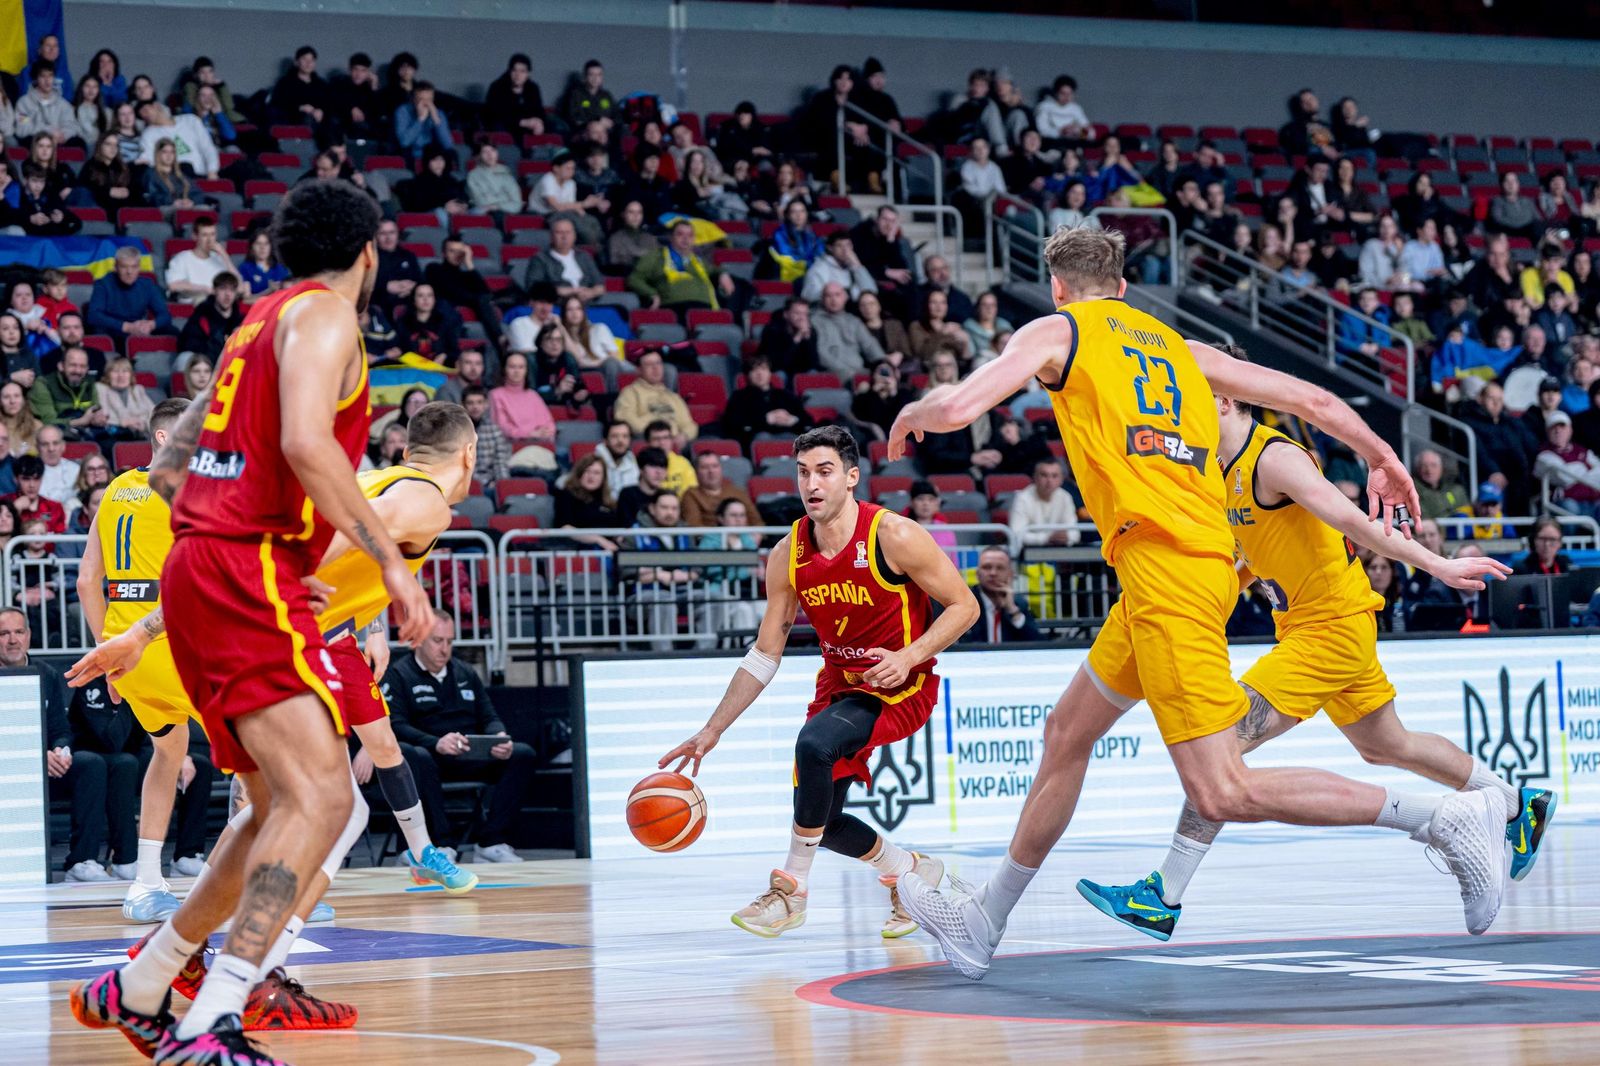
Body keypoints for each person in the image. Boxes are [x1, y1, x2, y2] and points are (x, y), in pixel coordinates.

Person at [886, 226, 1509, 982]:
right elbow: (1311, 397)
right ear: (1122, 287)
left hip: (1169, 575)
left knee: (1223, 788)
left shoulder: (1057, 330)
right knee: (1066, 732)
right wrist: (1382, 457)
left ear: (1059, 287)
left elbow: (960, 407)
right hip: (1191, 566)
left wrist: (924, 407)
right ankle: (984, 921)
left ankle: (1444, 818)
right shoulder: (1176, 347)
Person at [66, 179, 433, 1065]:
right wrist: (387, 560)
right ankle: (212, 1019)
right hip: (243, 567)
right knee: (324, 795)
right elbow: (308, 444)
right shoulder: (327, 317)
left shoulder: (252, 326)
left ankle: (146, 983)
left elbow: (167, 470)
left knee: (275, 801)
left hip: (202, 566)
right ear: (370, 254)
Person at [1076, 354, 1536, 938]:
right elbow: (1248, 557)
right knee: (1387, 743)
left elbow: (1358, 524)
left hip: (1331, 626)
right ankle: (1517, 803)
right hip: (1317, 622)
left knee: (1226, 740)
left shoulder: (1275, 458)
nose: (1175, 413)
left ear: (1222, 400)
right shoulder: (1216, 473)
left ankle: (1163, 893)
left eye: (1187, 401)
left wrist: (1437, 563)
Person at [659, 426, 979, 938]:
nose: (812, 483)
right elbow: (766, 652)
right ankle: (911, 870)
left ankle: (790, 891)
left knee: (814, 745)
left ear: (851, 478)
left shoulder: (893, 535)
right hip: (840, 686)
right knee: (821, 823)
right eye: (803, 472)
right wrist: (711, 730)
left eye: (825, 471)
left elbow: (966, 606)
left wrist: (910, 655)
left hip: (902, 686)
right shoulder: (789, 553)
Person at [385, 610, 535, 864]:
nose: (445, 649)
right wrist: (436, 743)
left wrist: (497, 736)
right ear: (418, 640)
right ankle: (442, 844)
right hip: (429, 758)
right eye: (437, 641)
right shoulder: (399, 674)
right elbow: (395, 725)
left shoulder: (465, 672)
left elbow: (489, 716)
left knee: (522, 754)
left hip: (467, 753)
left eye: (450, 641)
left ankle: (490, 842)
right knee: (418, 757)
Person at [627, 219, 736, 315]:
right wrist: (652, 294)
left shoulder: (698, 260)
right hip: (675, 307)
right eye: (680, 234)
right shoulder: (656, 256)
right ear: (671, 237)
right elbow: (634, 279)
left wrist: (723, 274)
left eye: (690, 235)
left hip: (704, 308)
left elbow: (715, 270)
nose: (685, 239)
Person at [87, 247, 174, 345]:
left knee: (172, 331)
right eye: (124, 267)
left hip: (139, 327)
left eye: (134, 267)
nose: (129, 272)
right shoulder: (103, 284)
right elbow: (94, 316)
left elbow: (165, 315)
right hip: (115, 329)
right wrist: (127, 327)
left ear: (139, 267)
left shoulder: (147, 284)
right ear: (115, 267)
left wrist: (151, 325)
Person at [723, 355, 811, 450]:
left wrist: (793, 420)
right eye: (754, 370)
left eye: (764, 369)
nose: (760, 373)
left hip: (788, 435)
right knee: (763, 438)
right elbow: (733, 425)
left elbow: (807, 420)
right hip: (758, 439)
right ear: (747, 375)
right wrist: (766, 419)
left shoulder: (785, 395)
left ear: (770, 373)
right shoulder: (739, 397)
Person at [960, 546, 1045, 644]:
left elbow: (1037, 642)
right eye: (987, 567)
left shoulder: (1018, 603)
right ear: (977, 574)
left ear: (1010, 574)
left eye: (1000, 568)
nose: (993, 573)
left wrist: (1012, 610)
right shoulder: (966, 602)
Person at [615, 348, 698, 442]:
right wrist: (656, 434)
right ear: (639, 370)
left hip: (675, 443)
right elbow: (625, 420)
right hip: (647, 442)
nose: (655, 368)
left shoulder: (673, 396)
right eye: (649, 364)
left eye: (658, 363)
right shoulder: (630, 393)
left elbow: (689, 425)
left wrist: (684, 436)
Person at [522, 217, 606, 303]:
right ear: (551, 236)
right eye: (559, 233)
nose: (564, 237)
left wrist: (590, 293)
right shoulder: (540, 259)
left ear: (574, 235)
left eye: (568, 232)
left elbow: (600, 286)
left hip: (586, 305)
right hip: (557, 305)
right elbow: (533, 288)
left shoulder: (584, 257)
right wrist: (568, 291)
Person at [812, 282, 884, 378]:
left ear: (845, 297)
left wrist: (883, 363)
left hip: (859, 372)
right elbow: (821, 353)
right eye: (828, 296)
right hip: (833, 374)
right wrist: (845, 372)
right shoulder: (814, 321)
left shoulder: (853, 321)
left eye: (837, 295)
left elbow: (869, 345)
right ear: (822, 299)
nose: (833, 299)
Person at [1007, 457, 1080, 547]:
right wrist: (1047, 538)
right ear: (1035, 477)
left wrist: (1067, 537)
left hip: (1060, 552)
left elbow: (1075, 533)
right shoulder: (1022, 498)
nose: (1049, 480)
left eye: (1054, 476)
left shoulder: (1065, 497)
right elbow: (1016, 534)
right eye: (1044, 475)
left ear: (1062, 480)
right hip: (1029, 553)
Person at [177, 273, 245, 363]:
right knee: (184, 358)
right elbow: (187, 343)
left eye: (232, 290)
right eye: (223, 288)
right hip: (205, 363)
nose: (227, 294)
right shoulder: (202, 314)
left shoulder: (241, 320)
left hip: (231, 365)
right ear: (214, 290)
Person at [489, 351, 554, 444]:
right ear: (504, 369)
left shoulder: (533, 395)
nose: (517, 371)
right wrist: (529, 434)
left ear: (526, 370)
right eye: (512, 367)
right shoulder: (495, 395)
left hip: (539, 444)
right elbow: (502, 427)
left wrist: (543, 433)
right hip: (511, 446)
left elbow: (549, 425)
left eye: (521, 367)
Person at [165, 218, 235, 304]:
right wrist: (205, 289)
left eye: (212, 234)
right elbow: (174, 285)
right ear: (195, 236)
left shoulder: (219, 259)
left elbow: (238, 285)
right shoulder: (182, 258)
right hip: (193, 305)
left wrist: (224, 254)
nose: (209, 239)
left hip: (219, 306)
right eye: (205, 235)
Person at [681, 451, 755, 527]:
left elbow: (757, 523)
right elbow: (694, 528)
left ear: (721, 469)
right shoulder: (690, 495)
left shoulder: (738, 492)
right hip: (707, 538)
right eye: (705, 467)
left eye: (715, 466)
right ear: (696, 472)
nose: (711, 471)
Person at [483, 53, 546, 137]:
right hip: (506, 125)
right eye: (514, 70)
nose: (518, 75)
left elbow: (539, 110)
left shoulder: (533, 88)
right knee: (498, 126)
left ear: (528, 74)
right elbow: (497, 114)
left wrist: (539, 122)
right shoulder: (497, 87)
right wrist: (522, 122)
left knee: (555, 125)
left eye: (522, 71)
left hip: (527, 125)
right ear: (509, 71)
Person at [462, 386, 511, 493]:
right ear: (463, 405)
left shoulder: (495, 430)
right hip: (464, 485)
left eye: (479, 402)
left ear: (486, 405)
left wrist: (502, 485)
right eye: (470, 403)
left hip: (490, 484)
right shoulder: (454, 432)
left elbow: (500, 463)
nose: (475, 407)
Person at [394, 81, 454, 164]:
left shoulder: (438, 113)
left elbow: (448, 144)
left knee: (449, 155)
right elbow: (404, 142)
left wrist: (436, 119)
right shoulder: (402, 111)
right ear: (413, 100)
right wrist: (420, 120)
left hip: (431, 156)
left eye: (429, 100)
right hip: (410, 155)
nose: (426, 103)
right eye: (421, 99)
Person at [95, 357, 153, 436]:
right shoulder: (101, 389)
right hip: (113, 437)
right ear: (107, 375)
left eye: (125, 371)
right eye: (115, 371)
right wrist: (121, 422)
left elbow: (156, 416)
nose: (121, 375)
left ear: (131, 375)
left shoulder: (138, 390)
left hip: (142, 436)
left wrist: (141, 423)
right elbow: (101, 418)